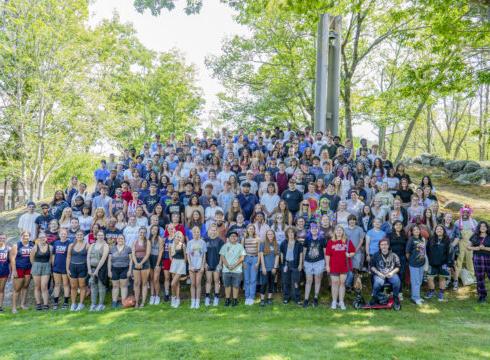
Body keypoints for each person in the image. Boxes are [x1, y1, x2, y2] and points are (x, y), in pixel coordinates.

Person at [326, 225, 356, 310]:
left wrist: (349, 254)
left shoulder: (347, 241)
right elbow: (327, 255)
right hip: (334, 266)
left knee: (342, 284)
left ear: (343, 232)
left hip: (344, 266)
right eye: (337, 230)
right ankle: (334, 301)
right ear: (335, 232)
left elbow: (353, 251)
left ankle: (341, 301)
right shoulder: (330, 242)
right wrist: (327, 265)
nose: (339, 232)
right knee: (334, 283)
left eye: (340, 230)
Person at [370, 238, 401, 307]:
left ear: (388, 246)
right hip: (379, 274)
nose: (384, 246)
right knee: (378, 282)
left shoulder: (394, 255)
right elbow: (371, 266)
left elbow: (398, 267)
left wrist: (392, 273)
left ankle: (395, 297)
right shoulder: (375, 255)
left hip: (390, 274)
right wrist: (378, 273)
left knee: (396, 281)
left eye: (385, 244)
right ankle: (374, 297)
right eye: (382, 245)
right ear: (379, 246)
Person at [219, 229, 246, 307]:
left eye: (235, 236)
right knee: (227, 286)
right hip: (226, 270)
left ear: (237, 238)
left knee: (236, 286)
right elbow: (222, 256)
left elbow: (242, 257)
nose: (233, 237)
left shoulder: (240, 246)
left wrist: (234, 265)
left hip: (237, 270)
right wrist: (227, 265)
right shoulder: (225, 245)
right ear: (229, 237)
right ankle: (227, 300)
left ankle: (235, 300)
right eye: (232, 236)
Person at [303, 223, 327, 307]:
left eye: (316, 228)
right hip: (308, 262)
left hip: (319, 261)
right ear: (310, 230)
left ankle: (315, 298)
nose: (314, 230)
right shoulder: (307, 239)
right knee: (308, 281)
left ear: (318, 230)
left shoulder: (322, 239)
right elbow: (304, 250)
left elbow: (325, 252)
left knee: (317, 280)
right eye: (312, 228)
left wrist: (326, 264)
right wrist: (303, 262)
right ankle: (306, 299)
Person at [426, 225, 452, 302]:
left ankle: (441, 293)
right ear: (435, 230)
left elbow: (450, 252)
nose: (439, 230)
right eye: (437, 229)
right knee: (429, 278)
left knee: (442, 278)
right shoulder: (431, 239)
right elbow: (427, 250)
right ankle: (432, 291)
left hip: (443, 263)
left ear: (443, 231)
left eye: (441, 229)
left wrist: (449, 263)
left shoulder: (447, 240)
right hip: (432, 262)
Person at [10, 231, 34, 313]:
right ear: (21, 236)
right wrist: (14, 270)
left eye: (27, 236)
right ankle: (14, 307)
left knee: (25, 286)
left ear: (29, 237)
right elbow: (12, 259)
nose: (26, 237)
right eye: (24, 235)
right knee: (17, 289)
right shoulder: (16, 245)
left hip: (28, 268)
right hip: (19, 268)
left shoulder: (32, 244)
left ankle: (22, 304)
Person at [280, 227, 303, 304]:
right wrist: (283, 264)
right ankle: (286, 298)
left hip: (295, 264)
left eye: (292, 232)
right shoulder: (284, 243)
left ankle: (297, 298)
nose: (291, 234)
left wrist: (300, 264)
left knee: (296, 282)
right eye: (289, 232)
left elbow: (301, 254)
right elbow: (281, 253)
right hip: (286, 264)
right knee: (286, 282)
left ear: (294, 234)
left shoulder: (298, 243)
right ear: (287, 234)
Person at [87, 230, 110, 311]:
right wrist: (89, 269)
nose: (100, 236)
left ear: (104, 236)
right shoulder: (92, 245)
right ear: (96, 236)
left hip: (101, 269)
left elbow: (103, 259)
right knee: (93, 286)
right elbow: (88, 257)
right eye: (99, 235)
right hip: (92, 268)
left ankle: (101, 304)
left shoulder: (105, 246)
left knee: (101, 286)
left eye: (102, 235)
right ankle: (93, 304)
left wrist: (96, 271)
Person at [30, 232, 52, 311]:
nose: (42, 239)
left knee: (44, 286)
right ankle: (38, 304)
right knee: (37, 286)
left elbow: (50, 259)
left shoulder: (50, 247)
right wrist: (36, 265)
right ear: (38, 239)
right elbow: (31, 259)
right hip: (36, 266)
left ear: (46, 238)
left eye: (44, 237)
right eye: (40, 237)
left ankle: (46, 304)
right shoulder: (35, 247)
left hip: (46, 266)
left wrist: (47, 265)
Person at [108, 234, 132, 308]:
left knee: (123, 286)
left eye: (122, 238)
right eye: (119, 238)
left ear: (124, 240)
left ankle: (123, 302)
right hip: (114, 269)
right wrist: (109, 271)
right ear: (116, 240)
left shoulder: (128, 248)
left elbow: (131, 260)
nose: (120, 240)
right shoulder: (112, 248)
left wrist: (130, 270)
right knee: (115, 286)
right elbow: (109, 260)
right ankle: (114, 302)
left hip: (125, 269)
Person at [468, 221, 490, 303]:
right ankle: (482, 296)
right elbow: (468, 247)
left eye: (485, 226)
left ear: (487, 228)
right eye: (481, 226)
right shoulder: (475, 236)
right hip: (478, 258)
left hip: (488, 257)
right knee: (480, 277)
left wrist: (485, 248)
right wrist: (476, 248)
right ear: (479, 227)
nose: (483, 228)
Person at [67, 230, 88, 311]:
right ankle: (73, 303)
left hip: (82, 267)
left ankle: (81, 303)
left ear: (83, 236)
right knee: (73, 286)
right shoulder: (71, 245)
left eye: (81, 235)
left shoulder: (87, 245)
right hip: (72, 267)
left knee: (82, 286)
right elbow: (68, 257)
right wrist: (67, 268)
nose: (79, 236)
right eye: (78, 235)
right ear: (75, 236)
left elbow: (88, 257)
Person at [203, 223, 224, 307]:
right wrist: (204, 263)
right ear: (209, 230)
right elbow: (203, 253)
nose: (213, 231)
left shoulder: (220, 241)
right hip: (208, 263)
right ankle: (207, 297)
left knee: (216, 281)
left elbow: (222, 254)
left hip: (216, 263)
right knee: (208, 281)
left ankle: (216, 297)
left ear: (217, 231)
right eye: (212, 229)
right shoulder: (205, 240)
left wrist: (220, 264)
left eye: (215, 230)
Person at [51, 228, 71, 310]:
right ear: (59, 234)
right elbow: (53, 255)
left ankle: (66, 302)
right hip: (56, 267)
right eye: (61, 233)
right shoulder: (56, 243)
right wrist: (53, 265)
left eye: (64, 233)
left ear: (67, 234)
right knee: (57, 284)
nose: (63, 235)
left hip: (65, 267)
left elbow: (70, 256)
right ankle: (55, 303)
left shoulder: (69, 243)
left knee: (66, 284)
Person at [187, 226, 207, 309]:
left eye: (198, 232)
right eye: (194, 232)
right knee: (193, 284)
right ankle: (193, 301)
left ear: (200, 233)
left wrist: (202, 266)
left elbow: (204, 255)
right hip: (192, 266)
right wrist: (190, 265)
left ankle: (197, 301)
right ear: (192, 233)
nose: (196, 233)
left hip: (199, 265)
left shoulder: (203, 242)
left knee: (198, 284)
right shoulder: (189, 243)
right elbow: (188, 255)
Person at [406, 225, 426, 306]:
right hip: (414, 264)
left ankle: (416, 296)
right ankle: (415, 298)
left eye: (418, 229)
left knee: (420, 281)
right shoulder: (411, 239)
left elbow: (423, 251)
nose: (416, 231)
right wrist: (411, 260)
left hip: (421, 263)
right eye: (414, 230)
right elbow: (407, 252)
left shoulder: (422, 239)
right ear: (412, 232)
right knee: (415, 281)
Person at [258, 230, 279, 306]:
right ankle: (262, 299)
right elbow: (261, 256)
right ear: (266, 235)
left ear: (274, 235)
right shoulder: (263, 244)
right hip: (264, 268)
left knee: (271, 283)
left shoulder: (276, 244)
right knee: (264, 283)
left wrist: (275, 267)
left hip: (273, 268)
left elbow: (277, 256)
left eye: (271, 234)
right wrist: (263, 267)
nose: (270, 235)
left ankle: (269, 299)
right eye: (268, 234)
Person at [132, 227, 151, 308]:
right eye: (140, 232)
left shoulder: (147, 242)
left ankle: (143, 302)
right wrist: (136, 263)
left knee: (144, 283)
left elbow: (147, 254)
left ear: (145, 234)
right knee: (136, 283)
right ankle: (136, 302)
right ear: (138, 233)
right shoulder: (134, 242)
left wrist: (141, 263)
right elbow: (133, 253)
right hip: (136, 262)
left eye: (143, 232)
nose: (142, 234)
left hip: (145, 262)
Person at [242, 224, 260, 305]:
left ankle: (251, 297)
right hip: (246, 259)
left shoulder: (257, 239)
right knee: (246, 279)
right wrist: (242, 262)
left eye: (252, 229)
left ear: (254, 230)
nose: (251, 230)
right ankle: (247, 297)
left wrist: (258, 262)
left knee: (253, 279)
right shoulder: (244, 239)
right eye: (249, 229)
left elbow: (259, 252)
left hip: (255, 258)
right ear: (247, 230)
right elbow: (242, 251)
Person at [169, 231, 187, 308]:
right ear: (175, 237)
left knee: (172, 283)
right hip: (174, 264)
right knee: (176, 284)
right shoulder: (171, 245)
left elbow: (185, 257)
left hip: (181, 264)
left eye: (180, 237)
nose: (178, 238)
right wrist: (173, 262)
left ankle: (175, 297)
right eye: (177, 236)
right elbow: (170, 256)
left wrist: (183, 265)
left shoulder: (183, 245)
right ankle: (175, 299)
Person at [148, 225, 164, 305]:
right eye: (153, 229)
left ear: (158, 231)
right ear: (151, 230)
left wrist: (158, 263)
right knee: (151, 279)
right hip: (150, 259)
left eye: (156, 229)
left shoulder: (160, 239)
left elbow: (161, 251)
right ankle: (152, 295)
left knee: (155, 279)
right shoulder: (149, 239)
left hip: (157, 259)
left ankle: (157, 296)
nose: (154, 230)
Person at [0, 233, 11, 312]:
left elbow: (10, 262)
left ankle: (0, 306)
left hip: (4, 271)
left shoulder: (9, 249)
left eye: (4, 238)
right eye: (1, 238)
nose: (2, 240)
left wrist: (10, 272)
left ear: (6, 239)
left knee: (1, 290)